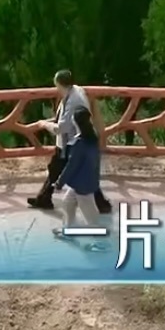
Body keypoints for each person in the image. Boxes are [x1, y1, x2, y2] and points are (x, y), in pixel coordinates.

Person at [28, 69, 112, 215]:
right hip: (73, 141)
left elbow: (61, 128)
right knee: (56, 169)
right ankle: (44, 198)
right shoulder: (76, 91)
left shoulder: (73, 100)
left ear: (59, 84)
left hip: (72, 143)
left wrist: (43, 124)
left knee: (74, 171)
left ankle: (101, 204)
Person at [52, 106, 107, 249]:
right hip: (85, 181)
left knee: (90, 215)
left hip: (82, 185)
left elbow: (71, 166)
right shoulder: (92, 137)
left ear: (75, 121)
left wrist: (59, 183)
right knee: (68, 203)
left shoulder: (79, 144)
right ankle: (68, 231)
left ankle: (100, 243)